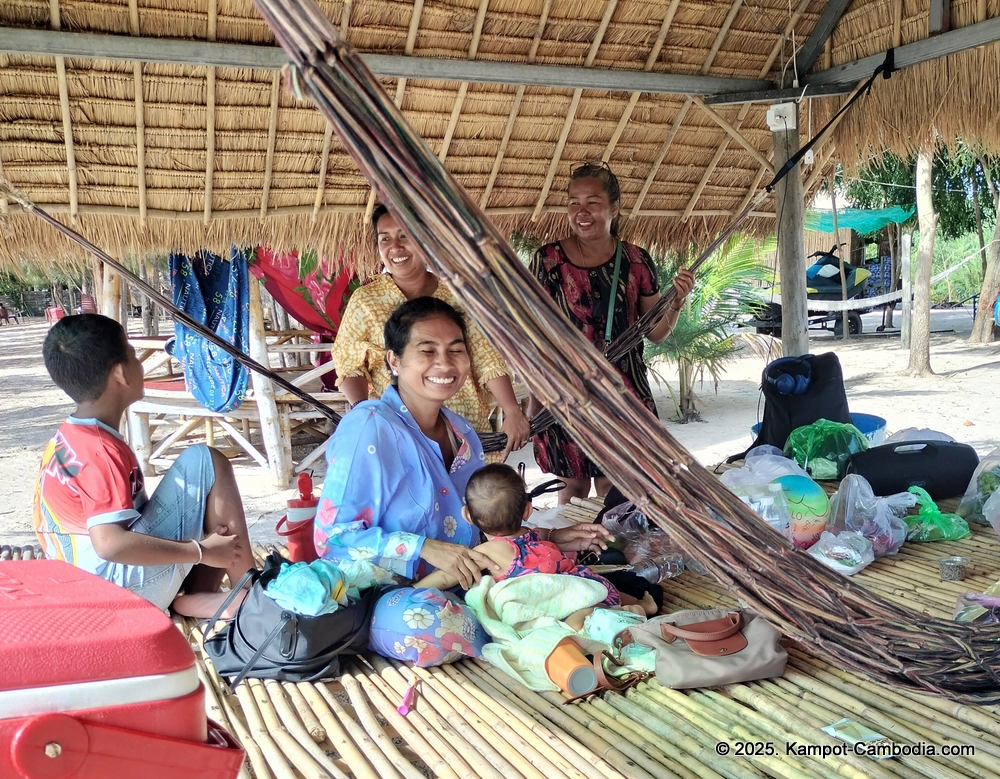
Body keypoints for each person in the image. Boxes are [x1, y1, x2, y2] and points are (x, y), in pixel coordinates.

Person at [316, 298, 612, 666]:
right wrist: (425, 548)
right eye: (427, 351)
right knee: (429, 627)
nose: (444, 363)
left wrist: (546, 540)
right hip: (388, 597)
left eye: (456, 350)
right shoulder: (369, 426)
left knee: (565, 584)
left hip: (469, 584)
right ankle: (533, 630)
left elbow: (479, 530)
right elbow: (331, 539)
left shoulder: (465, 435)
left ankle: (527, 628)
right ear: (394, 361)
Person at [34, 314, 255, 618]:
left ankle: (200, 598)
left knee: (199, 481)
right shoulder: (99, 451)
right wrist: (201, 551)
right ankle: (253, 594)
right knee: (205, 461)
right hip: (114, 597)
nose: (139, 364)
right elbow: (110, 544)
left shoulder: (72, 436)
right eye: (133, 354)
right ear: (121, 374)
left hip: (86, 588)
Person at [529, 161, 696, 504]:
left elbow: (656, 334)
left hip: (624, 396)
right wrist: (533, 404)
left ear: (615, 207)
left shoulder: (636, 261)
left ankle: (612, 555)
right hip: (566, 394)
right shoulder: (547, 262)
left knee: (616, 489)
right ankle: (576, 556)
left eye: (593, 202)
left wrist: (676, 302)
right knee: (571, 489)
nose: (582, 211)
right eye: (574, 202)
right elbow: (534, 340)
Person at [332, 204, 530, 459]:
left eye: (405, 235)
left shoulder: (460, 295)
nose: (395, 247)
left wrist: (512, 410)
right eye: (385, 239)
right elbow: (349, 363)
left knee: (474, 496)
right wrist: (363, 413)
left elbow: (487, 357)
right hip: (397, 433)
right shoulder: (366, 301)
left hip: (465, 431)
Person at [415, 463, 657, 629]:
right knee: (605, 588)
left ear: (468, 515)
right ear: (529, 511)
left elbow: (447, 577)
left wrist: (415, 588)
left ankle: (615, 615)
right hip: (581, 587)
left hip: (555, 608)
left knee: (574, 622)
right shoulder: (533, 535)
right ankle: (640, 606)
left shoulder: (486, 553)